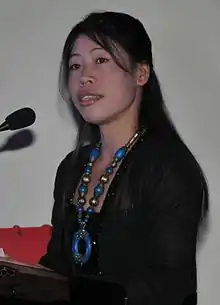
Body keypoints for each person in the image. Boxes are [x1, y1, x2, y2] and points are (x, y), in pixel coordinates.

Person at [39, 11, 209, 305]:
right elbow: (56, 267)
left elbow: (170, 287)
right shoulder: (72, 168)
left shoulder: (169, 168)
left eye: (101, 60)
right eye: (75, 65)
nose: (84, 76)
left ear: (141, 73)